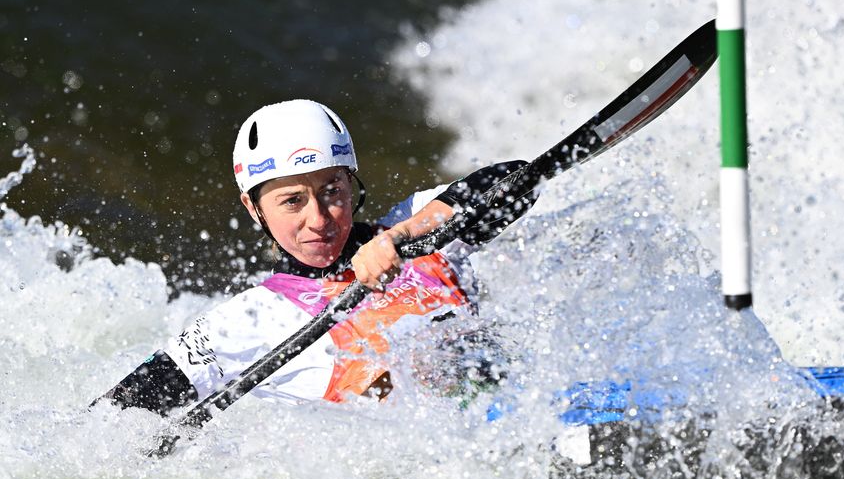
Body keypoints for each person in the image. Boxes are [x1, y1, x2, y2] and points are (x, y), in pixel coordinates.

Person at [97, 99, 531, 413]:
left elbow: (518, 179)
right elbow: (113, 417)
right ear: (255, 209)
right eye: (292, 202)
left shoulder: (421, 225)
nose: (319, 219)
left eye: (332, 192)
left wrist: (400, 238)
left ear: (351, 183)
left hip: (528, 411)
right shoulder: (246, 320)